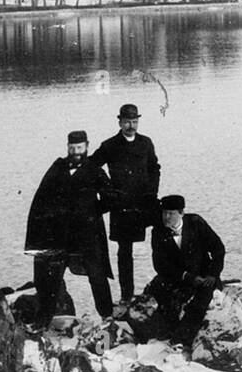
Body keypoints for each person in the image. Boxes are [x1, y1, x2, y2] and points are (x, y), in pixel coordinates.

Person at [25, 130, 117, 325]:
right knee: (51, 278)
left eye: (80, 148)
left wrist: (92, 212)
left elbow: (111, 198)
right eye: (72, 148)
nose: (76, 152)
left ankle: (107, 315)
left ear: (87, 146)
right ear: (67, 147)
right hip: (60, 235)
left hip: (88, 234)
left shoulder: (94, 169)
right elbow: (41, 199)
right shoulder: (57, 168)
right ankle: (43, 320)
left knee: (97, 275)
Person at [90, 103, 161, 302]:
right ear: (120, 122)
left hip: (145, 201)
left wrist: (152, 192)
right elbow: (92, 166)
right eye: (127, 121)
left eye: (135, 121)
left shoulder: (146, 143)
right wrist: (107, 189)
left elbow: (155, 168)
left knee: (164, 234)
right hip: (122, 205)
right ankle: (126, 295)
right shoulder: (110, 145)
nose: (131, 125)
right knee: (125, 252)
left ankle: (166, 283)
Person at [148, 194, 226, 346]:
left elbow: (218, 249)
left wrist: (212, 274)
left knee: (202, 299)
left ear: (181, 213)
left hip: (204, 275)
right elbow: (159, 264)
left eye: (171, 213)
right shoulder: (157, 231)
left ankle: (182, 339)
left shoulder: (196, 223)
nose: (166, 217)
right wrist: (186, 276)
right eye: (164, 213)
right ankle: (167, 331)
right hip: (178, 277)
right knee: (159, 290)